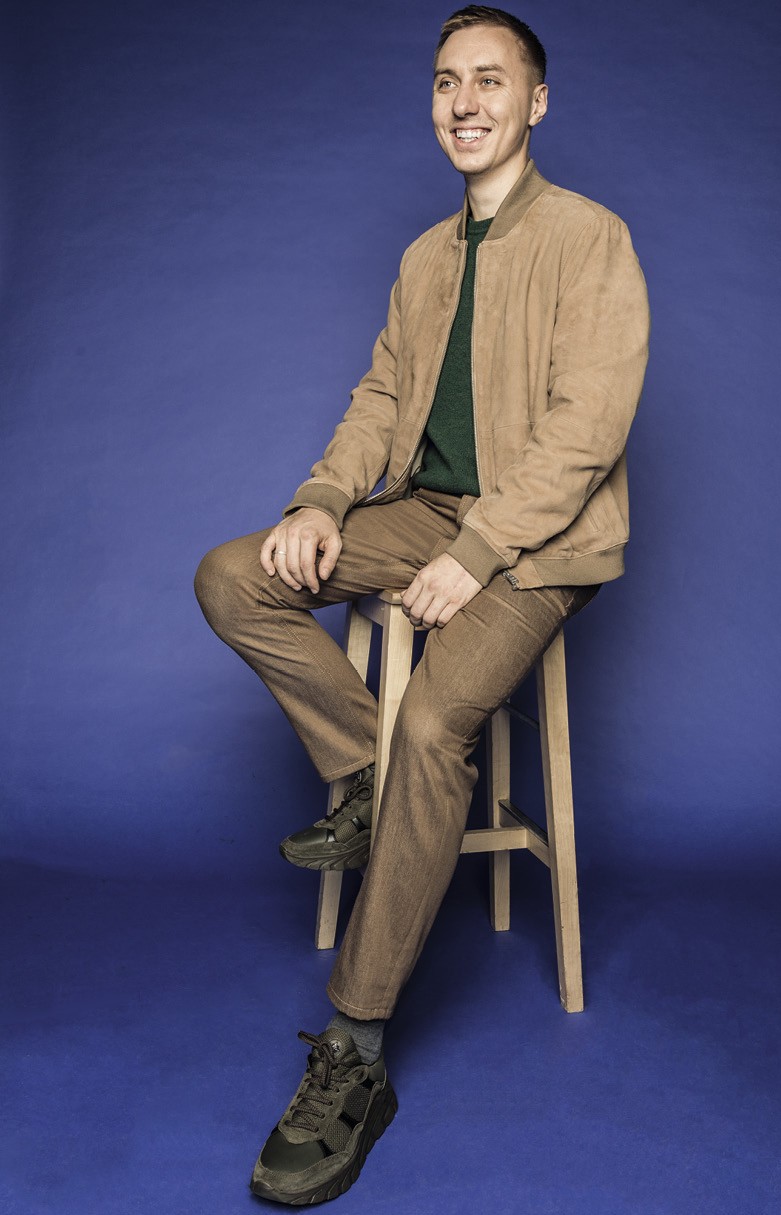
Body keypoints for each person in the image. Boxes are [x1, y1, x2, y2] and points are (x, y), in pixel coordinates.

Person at [195, 4, 649, 1205]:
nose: (465, 101)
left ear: (536, 101)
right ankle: (367, 775)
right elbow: (383, 396)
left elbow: (589, 427)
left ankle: (356, 1047)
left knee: (440, 721)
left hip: (540, 544)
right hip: (427, 511)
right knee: (234, 575)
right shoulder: (423, 258)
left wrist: (483, 549)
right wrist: (320, 499)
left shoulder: (591, 238)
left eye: (490, 80)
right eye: (447, 81)